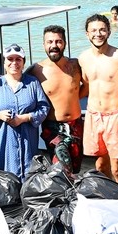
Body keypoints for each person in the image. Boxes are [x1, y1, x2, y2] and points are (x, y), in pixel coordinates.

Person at [78, 14, 118, 180]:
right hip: (93, 115)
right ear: (87, 34)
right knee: (101, 166)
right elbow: (85, 86)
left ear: (109, 32)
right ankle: (108, 194)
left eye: (102, 30)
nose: (98, 34)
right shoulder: (83, 58)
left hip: (114, 116)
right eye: (94, 30)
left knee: (117, 168)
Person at [0, 44, 49, 178]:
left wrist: (25, 118)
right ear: (4, 63)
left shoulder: (33, 83)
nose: (14, 63)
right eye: (10, 59)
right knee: (3, 177)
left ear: (23, 63)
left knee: (29, 175)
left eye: (18, 59)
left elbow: (44, 108)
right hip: (3, 141)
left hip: (28, 139)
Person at [30, 25, 85, 173]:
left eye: (58, 41)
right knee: (61, 169)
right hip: (53, 128)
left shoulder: (76, 65)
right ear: (44, 44)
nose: (54, 45)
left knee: (75, 170)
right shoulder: (36, 70)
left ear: (65, 43)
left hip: (76, 125)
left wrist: (73, 99)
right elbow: (17, 82)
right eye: (50, 42)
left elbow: (88, 85)